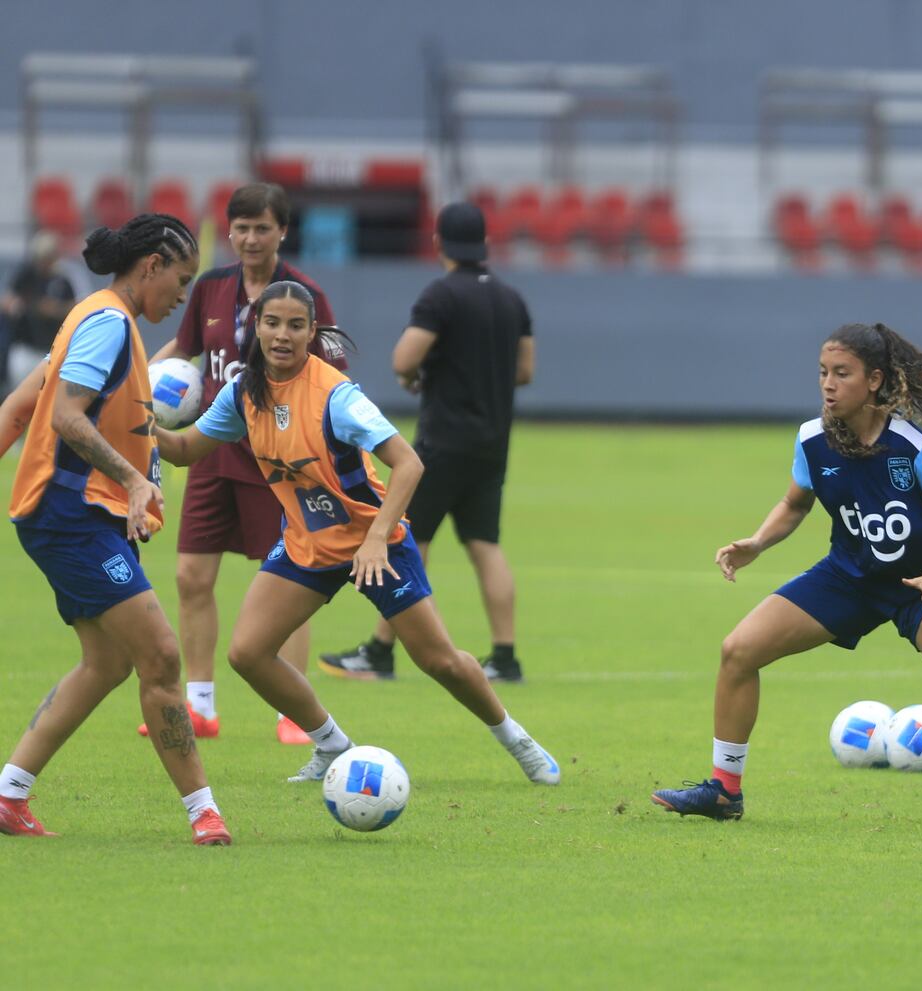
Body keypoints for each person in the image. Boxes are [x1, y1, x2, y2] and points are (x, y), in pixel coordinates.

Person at [651, 322, 922, 835]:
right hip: (847, 578)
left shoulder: (912, 448)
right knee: (738, 651)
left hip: (917, 587)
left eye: (842, 373)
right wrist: (757, 542)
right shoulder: (812, 440)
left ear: (874, 380)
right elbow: (795, 503)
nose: (828, 384)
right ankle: (724, 791)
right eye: (823, 372)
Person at [152, 280, 559, 788]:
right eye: (272, 323)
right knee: (248, 653)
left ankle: (516, 738)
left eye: (295, 325)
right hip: (307, 544)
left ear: (312, 332)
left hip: (373, 542)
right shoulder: (243, 392)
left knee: (439, 661)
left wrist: (376, 538)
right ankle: (331, 745)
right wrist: (140, 423)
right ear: (256, 327)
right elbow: (185, 450)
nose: (282, 335)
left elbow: (409, 464)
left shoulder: (336, 395)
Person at [1, 215, 231, 844]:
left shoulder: (91, 316)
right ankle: (204, 814)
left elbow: (21, 406)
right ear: (152, 266)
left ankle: (9, 795)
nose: (182, 296)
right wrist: (132, 479)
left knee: (105, 664)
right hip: (71, 516)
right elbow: (65, 416)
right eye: (181, 280)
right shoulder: (107, 324)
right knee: (161, 654)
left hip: (71, 516)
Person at [141, 182, 345, 744]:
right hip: (211, 451)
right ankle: (199, 707)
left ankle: (293, 712)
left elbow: (333, 373)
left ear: (282, 232)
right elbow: (181, 351)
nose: (251, 238)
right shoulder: (210, 286)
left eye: (262, 228)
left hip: (278, 459)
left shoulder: (305, 295)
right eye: (242, 228)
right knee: (190, 576)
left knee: (288, 584)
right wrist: (138, 383)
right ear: (229, 232)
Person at [319, 201, 535, 684]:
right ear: (485, 242)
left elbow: (404, 359)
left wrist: (419, 375)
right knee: (485, 544)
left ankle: (380, 651)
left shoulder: (441, 294)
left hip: (443, 440)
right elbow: (524, 370)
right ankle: (505, 657)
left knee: (408, 537)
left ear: (438, 243)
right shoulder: (511, 299)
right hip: (492, 443)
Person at [1, 230, 78, 392]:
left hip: (51, 351)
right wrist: (18, 305)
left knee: (46, 394)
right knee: (19, 393)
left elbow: (75, 307)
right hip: (25, 346)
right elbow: (7, 300)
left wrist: (55, 309)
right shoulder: (27, 275)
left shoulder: (62, 279)